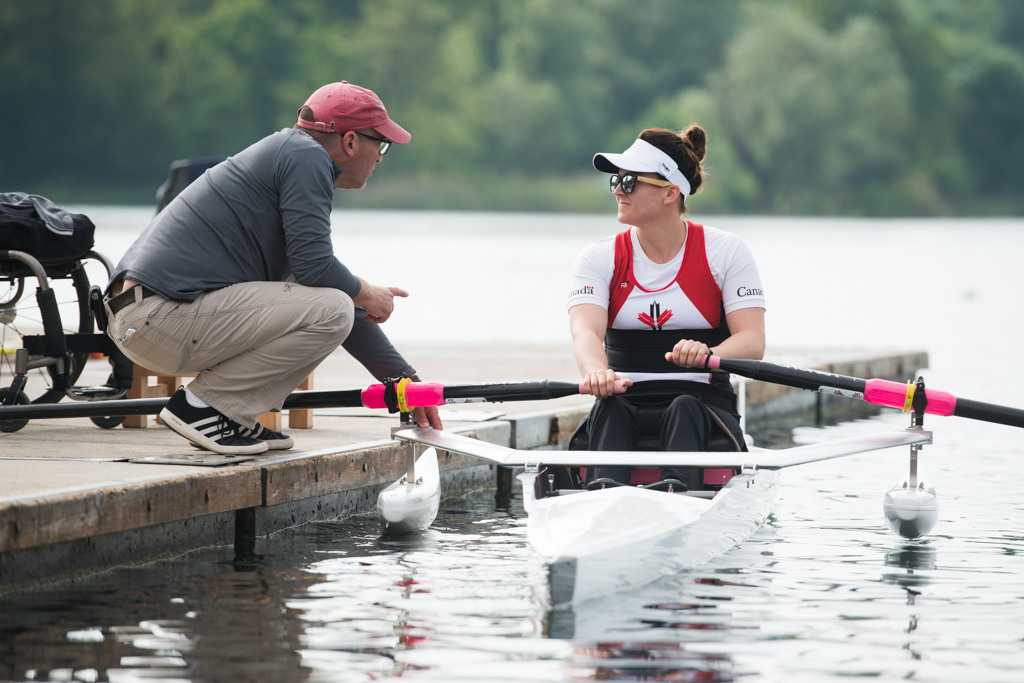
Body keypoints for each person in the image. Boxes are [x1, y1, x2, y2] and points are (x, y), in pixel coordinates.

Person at [104, 81, 442, 455]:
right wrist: (368, 291)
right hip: (160, 315)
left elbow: (319, 283)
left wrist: (406, 383)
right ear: (349, 142)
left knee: (333, 305)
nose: (380, 155)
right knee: (335, 307)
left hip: (147, 318)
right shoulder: (307, 157)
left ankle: (233, 417)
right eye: (380, 144)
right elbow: (322, 277)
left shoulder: (289, 156)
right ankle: (203, 407)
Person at [566, 125, 766, 490]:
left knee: (685, 405)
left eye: (629, 182)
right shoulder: (598, 257)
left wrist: (709, 353)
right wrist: (596, 371)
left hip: (702, 404)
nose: (617, 191)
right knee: (610, 408)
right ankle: (603, 493)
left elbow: (752, 341)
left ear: (670, 193)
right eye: (616, 180)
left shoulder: (725, 252)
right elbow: (585, 332)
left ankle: (678, 490)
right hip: (622, 397)